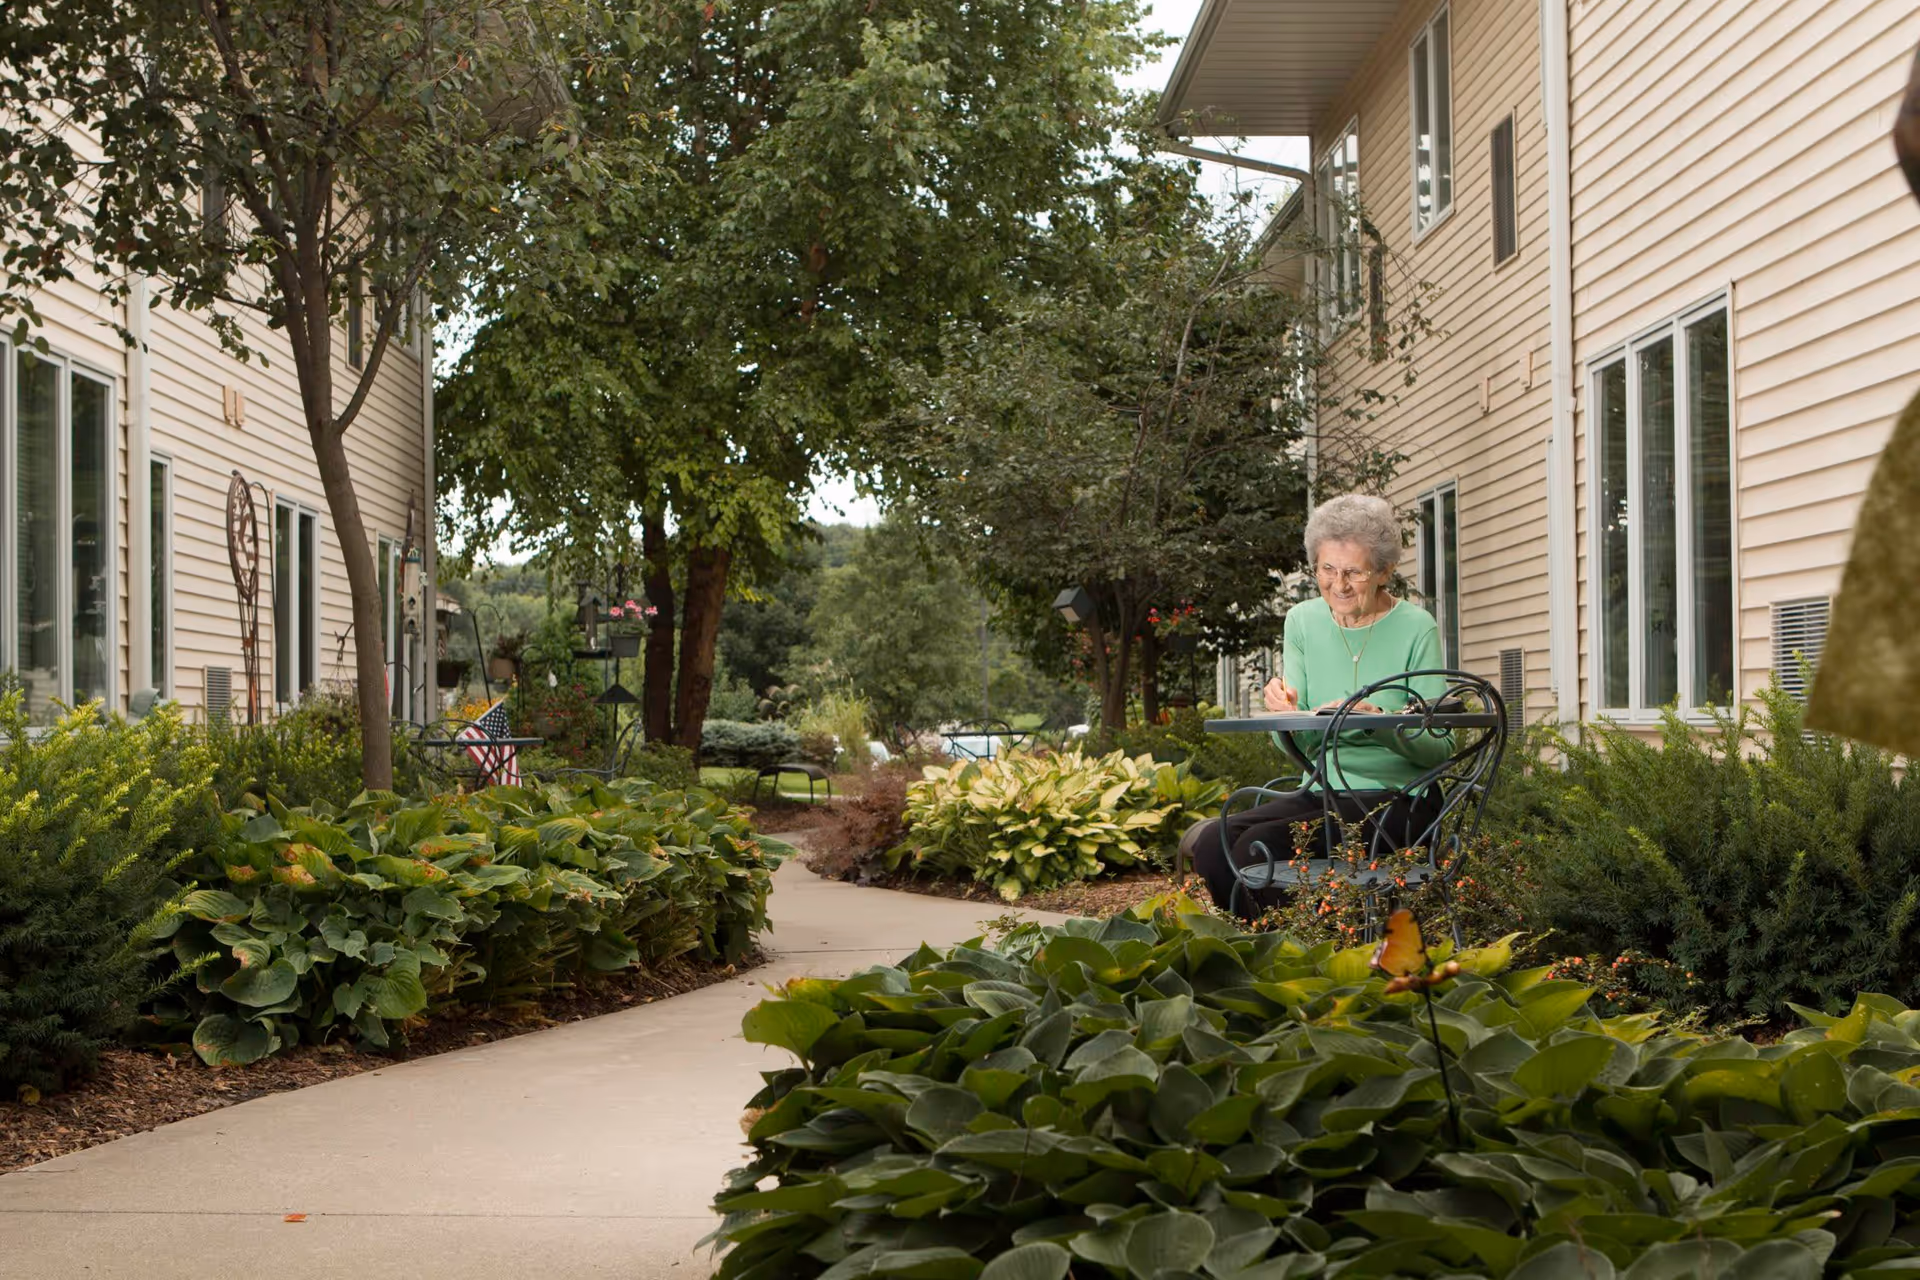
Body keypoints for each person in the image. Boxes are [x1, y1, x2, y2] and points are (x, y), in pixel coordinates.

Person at [1185, 493, 1455, 921]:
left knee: (1260, 847)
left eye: (1354, 572)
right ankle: (1276, 945)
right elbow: (1302, 746)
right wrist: (1283, 714)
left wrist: (1380, 725)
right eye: (1327, 569)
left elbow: (1441, 746)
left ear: (1384, 571)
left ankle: (1306, 947)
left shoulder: (1416, 627)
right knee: (1212, 845)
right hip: (1323, 790)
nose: (1339, 584)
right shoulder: (1303, 622)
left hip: (1401, 801)